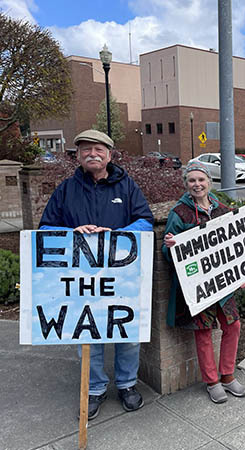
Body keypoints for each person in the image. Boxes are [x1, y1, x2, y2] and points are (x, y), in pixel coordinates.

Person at [39, 129, 153, 419]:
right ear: (77, 156)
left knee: (126, 334)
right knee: (89, 335)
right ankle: (95, 389)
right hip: (81, 279)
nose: (92, 154)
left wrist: (117, 234)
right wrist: (71, 233)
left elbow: (145, 222)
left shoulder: (126, 187)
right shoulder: (66, 189)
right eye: (86, 149)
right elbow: (46, 229)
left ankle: (127, 384)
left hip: (122, 278)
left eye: (99, 149)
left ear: (110, 155)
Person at [162, 160, 245, 404]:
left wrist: (241, 276)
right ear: (186, 184)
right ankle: (212, 381)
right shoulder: (179, 213)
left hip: (223, 284)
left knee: (233, 326)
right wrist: (171, 246)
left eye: (201, 180)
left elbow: (236, 247)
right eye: (192, 180)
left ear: (209, 182)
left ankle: (228, 376)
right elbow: (167, 252)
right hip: (198, 286)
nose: (197, 184)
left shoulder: (222, 208)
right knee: (203, 331)